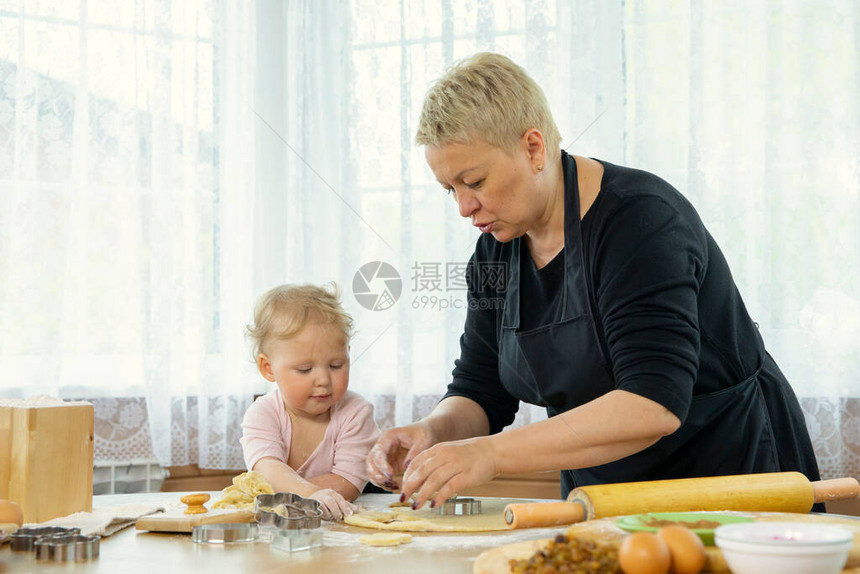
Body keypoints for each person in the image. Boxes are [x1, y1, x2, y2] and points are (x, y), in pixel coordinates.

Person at [366, 52, 822, 512]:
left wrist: (489, 455)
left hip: (728, 474)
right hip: (603, 495)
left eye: (475, 181)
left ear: (533, 148)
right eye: (451, 190)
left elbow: (651, 404)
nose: (465, 207)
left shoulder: (641, 222)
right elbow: (481, 387)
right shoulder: (495, 252)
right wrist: (434, 431)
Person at [241, 283, 380, 520]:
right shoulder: (263, 413)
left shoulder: (356, 412)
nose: (324, 380)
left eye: (336, 365)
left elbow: (347, 483)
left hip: (344, 523)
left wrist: (291, 493)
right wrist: (310, 493)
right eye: (305, 369)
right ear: (268, 368)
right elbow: (267, 470)